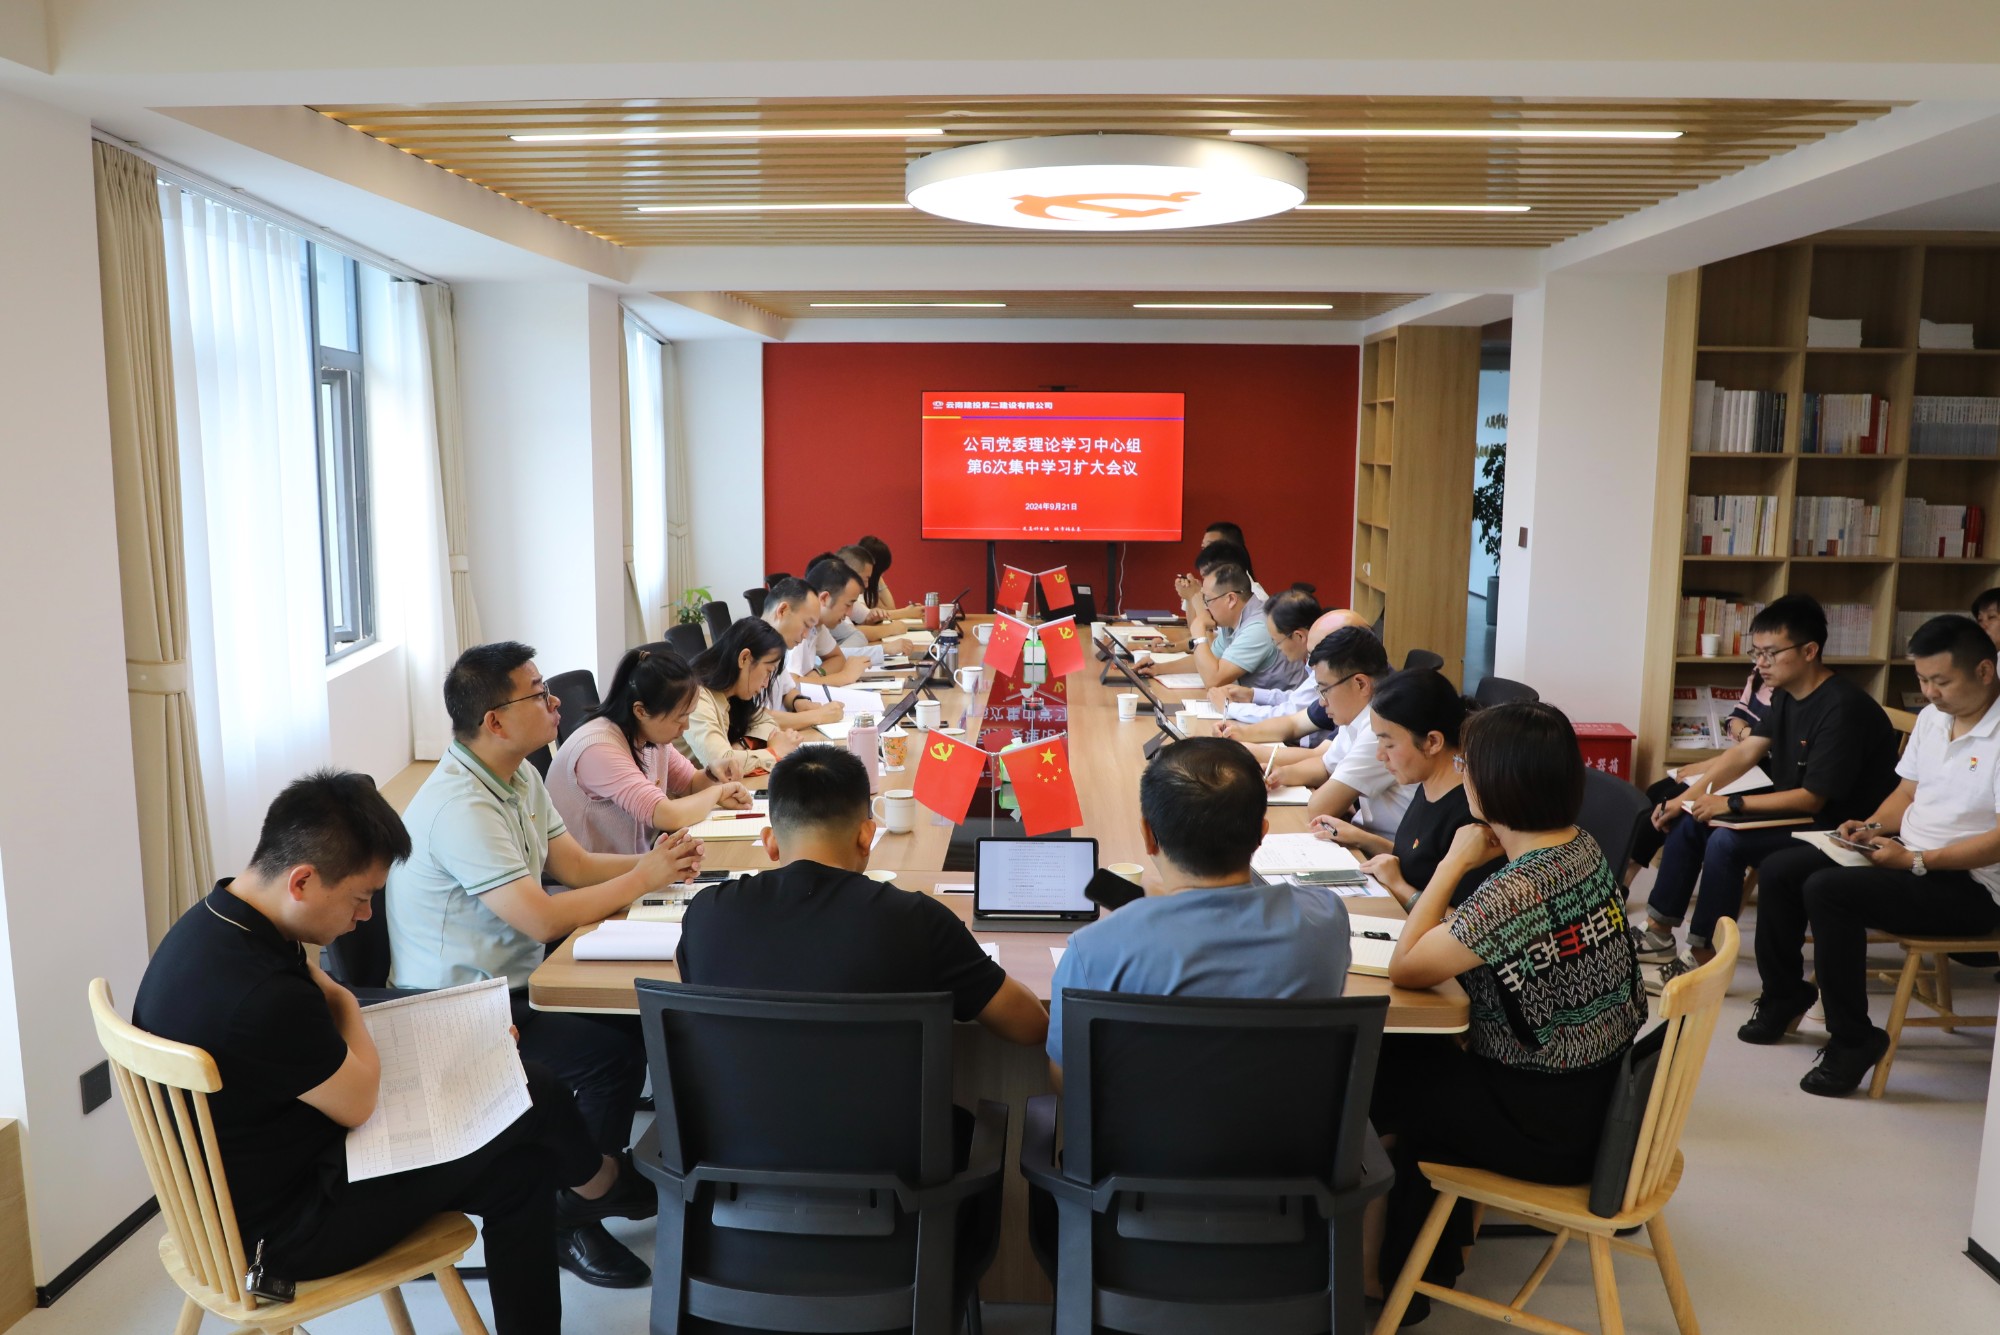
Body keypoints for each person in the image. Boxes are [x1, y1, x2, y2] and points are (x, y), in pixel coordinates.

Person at [136, 771, 652, 1332]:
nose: (364, 917)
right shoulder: (263, 995)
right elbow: (358, 1101)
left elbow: (311, 1044)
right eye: (361, 899)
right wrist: (345, 1001)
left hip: (241, 1191)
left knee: (524, 1166)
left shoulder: (213, 921)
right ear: (302, 880)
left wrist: (449, 1037)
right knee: (532, 1089)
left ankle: (599, 1185)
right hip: (284, 1231)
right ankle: (604, 1184)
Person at [388, 641, 705, 1286]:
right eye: (538, 693)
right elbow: (541, 918)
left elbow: (575, 867)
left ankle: (590, 1182)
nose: (555, 701)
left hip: (515, 983)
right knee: (608, 1057)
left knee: (633, 1030)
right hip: (455, 1010)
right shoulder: (461, 807)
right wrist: (643, 876)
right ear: (495, 720)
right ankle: (576, 1206)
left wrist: (659, 867)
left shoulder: (517, 776)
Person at [1368, 701, 1646, 1311]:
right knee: (1403, 1064)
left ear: (1493, 784)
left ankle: (1390, 1278)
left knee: (1371, 1078)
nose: (1461, 775)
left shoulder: (1520, 888)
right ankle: (1417, 1262)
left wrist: (1454, 861)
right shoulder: (1579, 848)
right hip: (1598, 1099)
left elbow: (1406, 967)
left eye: (1467, 766)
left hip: (1546, 1126)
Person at [1742, 614, 2000, 1095]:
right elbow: (1907, 793)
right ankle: (1784, 995)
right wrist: (1872, 827)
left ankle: (1852, 1038)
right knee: (1781, 868)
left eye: (1941, 681)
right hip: (1909, 856)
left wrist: (1918, 861)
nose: (1930, 693)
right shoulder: (1934, 718)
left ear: (1985, 671)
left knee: (1829, 891)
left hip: (1973, 886)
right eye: (1922, 680)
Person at [677, 744, 1047, 1047]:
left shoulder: (706, 913)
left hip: (733, 1119)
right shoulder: (917, 921)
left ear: (770, 843)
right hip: (887, 1121)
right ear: (867, 835)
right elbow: (1031, 1027)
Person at [1045, 736, 1351, 1082]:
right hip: (1289, 1118)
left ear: (1148, 835)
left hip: (1147, 1120)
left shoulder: (1094, 949)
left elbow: (1067, 1081)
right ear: (1261, 833)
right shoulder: (1326, 917)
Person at [1635, 595, 1900, 977]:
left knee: (1725, 841)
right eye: (1756, 653)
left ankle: (1706, 956)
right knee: (1692, 819)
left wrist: (1731, 804)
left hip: (1837, 828)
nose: (1760, 664)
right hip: (1797, 813)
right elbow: (1745, 752)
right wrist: (1687, 799)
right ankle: (1658, 932)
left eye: (1771, 653)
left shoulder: (1842, 708)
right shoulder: (1787, 694)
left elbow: (1812, 800)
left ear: (1809, 650)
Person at [1310, 669, 1505, 909]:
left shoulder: (1471, 814)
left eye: (1389, 744)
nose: (1380, 755)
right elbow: (1420, 863)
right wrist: (1362, 839)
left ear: (1432, 742)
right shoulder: (1427, 782)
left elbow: (1466, 922)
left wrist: (1400, 887)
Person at [547, 647, 757, 855]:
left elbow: (690, 784)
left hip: (636, 864)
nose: (685, 727)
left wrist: (712, 773)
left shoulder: (649, 736)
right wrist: (718, 792)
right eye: (680, 718)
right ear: (641, 711)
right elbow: (667, 815)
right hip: (600, 874)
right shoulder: (598, 749)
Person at [1278, 629, 1415, 838]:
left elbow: (1320, 808)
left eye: (1325, 690)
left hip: (1386, 848)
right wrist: (1280, 774)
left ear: (1360, 684)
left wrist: (1330, 794)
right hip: (1363, 835)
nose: (1322, 702)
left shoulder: (1380, 729)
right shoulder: (1357, 715)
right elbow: (1324, 766)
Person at [1212, 608, 1373, 743]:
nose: (1311, 664)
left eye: (1315, 654)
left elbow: (1291, 713)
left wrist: (1230, 708)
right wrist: (1253, 697)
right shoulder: (1335, 678)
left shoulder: (1372, 714)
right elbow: (1294, 720)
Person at [680, 617, 805, 770]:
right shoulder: (697, 697)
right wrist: (774, 752)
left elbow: (767, 722)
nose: (766, 684)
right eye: (768, 671)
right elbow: (721, 763)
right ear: (744, 658)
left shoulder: (734, 695)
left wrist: (742, 744)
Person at [1204, 590, 1322, 719]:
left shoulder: (1325, 664)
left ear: (1299, 636)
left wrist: (1229, 707)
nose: (1277, 647)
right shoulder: (1314, 657)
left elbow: (1291, 713)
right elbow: (1298, 698)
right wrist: (1252, 694)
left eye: (1277, 642)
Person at [1187, 562, 1303, 693]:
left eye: (1207, 600)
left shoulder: (1258, 627)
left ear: (1231, 599)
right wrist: (1165, 668)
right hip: (1255, 702)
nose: (1205, 607)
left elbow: (1213, 681)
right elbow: (1208, 660)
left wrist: (1198, 628)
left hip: (1283, 704)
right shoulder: (1231, 620)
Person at [757, 575, 847, 732]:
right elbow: (755, 718)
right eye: (806, 625)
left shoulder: (777, 647)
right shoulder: (750, 650)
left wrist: (799, 702)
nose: (806, 635)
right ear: (782, 611)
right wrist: (818, 716)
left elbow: (787, 690)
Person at [786, 557, 872, 686]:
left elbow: (837, 658)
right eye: (848, 605)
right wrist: (845, 676)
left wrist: (817, 674)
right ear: (825, 598)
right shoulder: (797, 625)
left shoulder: (818, 625)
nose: (849, 613)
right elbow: (792, 685)